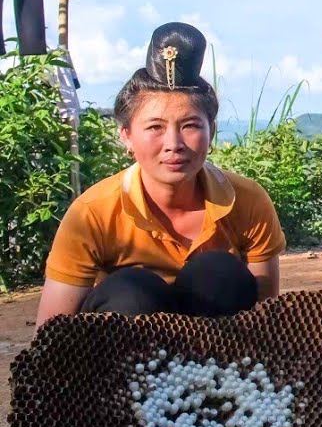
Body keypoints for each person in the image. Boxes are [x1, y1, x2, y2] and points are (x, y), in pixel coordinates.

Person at [37, 22, 285, 358]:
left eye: (190, 126)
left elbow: (265, 314)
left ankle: (220, 397)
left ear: (211, 130)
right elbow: (52, 333)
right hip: (123, 366)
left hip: (218, 361)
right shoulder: (92, 212)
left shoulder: (248, 201)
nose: (174, 144)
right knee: (132, 291)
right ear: (126, 135)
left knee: (220, 274)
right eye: (154, 127)